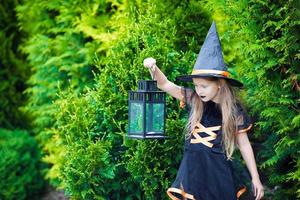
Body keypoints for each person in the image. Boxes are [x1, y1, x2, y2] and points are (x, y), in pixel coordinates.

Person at [143, 21, 264, 200]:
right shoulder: (195, 99)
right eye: (196, 86)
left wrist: (255, 178)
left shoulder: (233, 111)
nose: (199, 90)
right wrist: (154, 68)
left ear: (219, 85)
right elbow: (165, 84)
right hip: (193, 173)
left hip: (218, 175)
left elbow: (244, 145)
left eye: (204, 86)